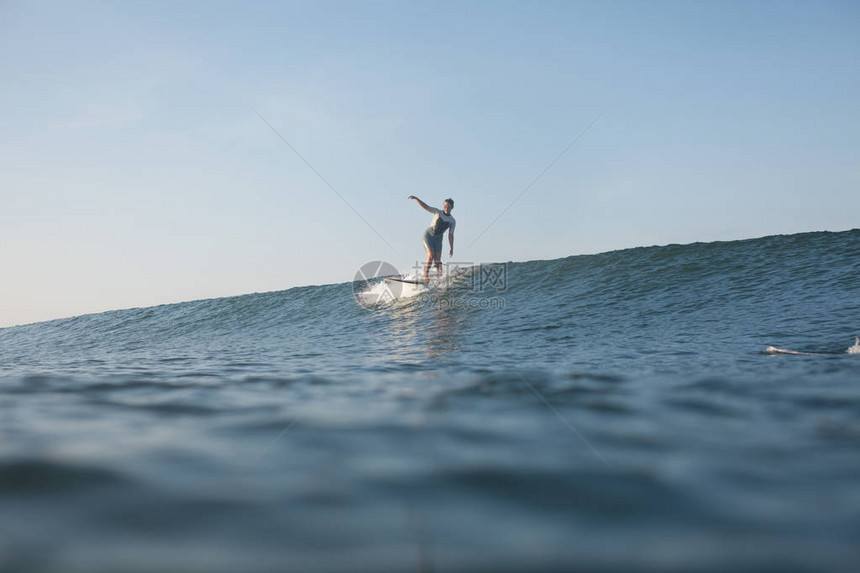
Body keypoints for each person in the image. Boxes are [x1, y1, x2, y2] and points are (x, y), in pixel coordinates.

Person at [407, 196, 455, 282]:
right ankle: (426, 276)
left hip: (438, 239)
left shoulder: (452, 221)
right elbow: (426, 207)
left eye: (448, 207)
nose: (446, 208)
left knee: (437, 261)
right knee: (431, 255)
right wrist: (416, 199)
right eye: (445, 206)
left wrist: (451, 248)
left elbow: (450, 235)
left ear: (452, 207)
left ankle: (441, 277)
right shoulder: (437, 212)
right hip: (429, 235)